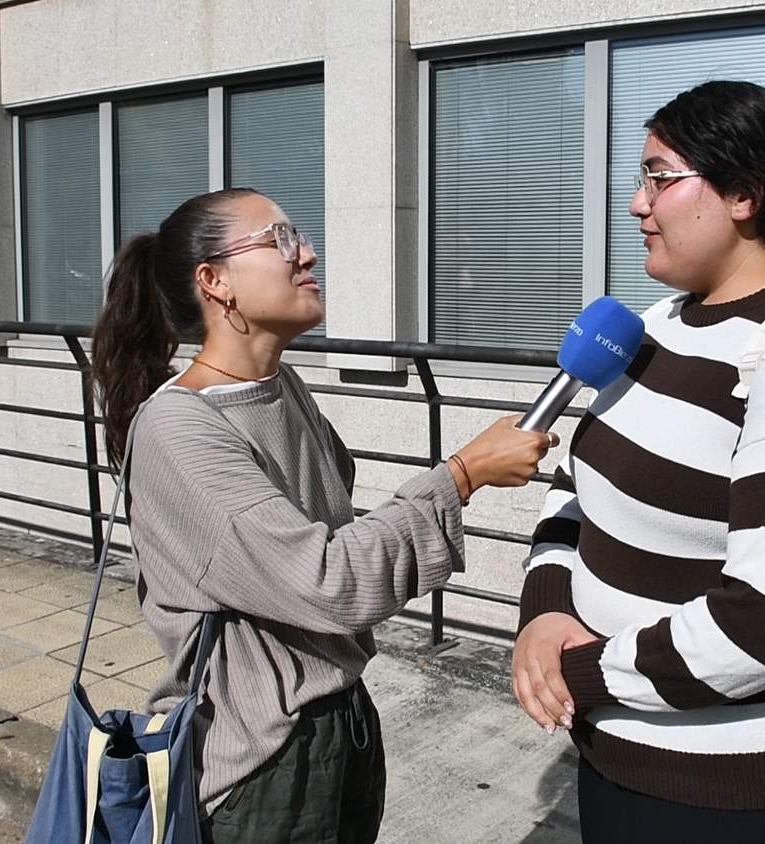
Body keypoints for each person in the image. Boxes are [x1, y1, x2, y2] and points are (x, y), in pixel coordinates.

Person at [511, 74, 765, 842]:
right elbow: (577, 487)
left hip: (745, 789)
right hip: (617, 746)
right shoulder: (658, 324)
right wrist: (547, 611)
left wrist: (582, 675)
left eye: (660, 177)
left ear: (744, 195)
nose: (638, 203)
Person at [90, 187, 552, 844]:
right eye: (278, 240)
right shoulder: (178, 431)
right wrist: (463, 475)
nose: (306, 253)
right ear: (215, 281)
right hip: (261, 756)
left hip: (342, 719)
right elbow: (326, 580)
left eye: (298, 236)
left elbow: (326, 546)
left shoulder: (282, 388)